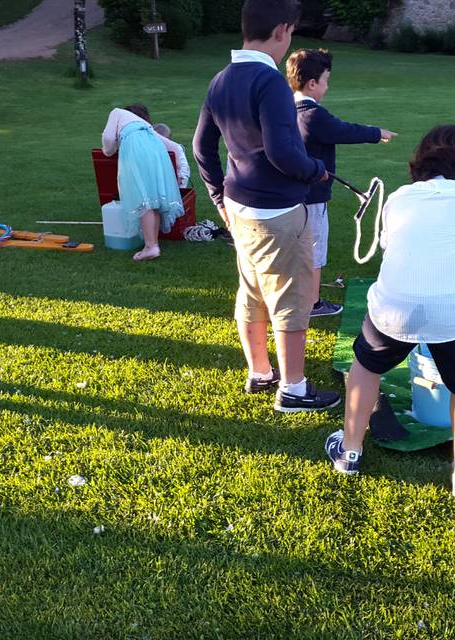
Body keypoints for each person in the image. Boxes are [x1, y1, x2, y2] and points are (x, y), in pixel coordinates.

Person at [324, 125, 455, 501]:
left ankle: (349, 449)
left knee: (366, 364)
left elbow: (394, 249)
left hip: (393, 307)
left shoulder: (400, 198)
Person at [192, 0, 340, 413]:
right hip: (277, 211)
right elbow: (282, 153)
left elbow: (201, 146)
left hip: (240, 207)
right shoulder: (269, 80)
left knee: (253, 291)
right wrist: (315, 171)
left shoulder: (222, 78)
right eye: (291, 32)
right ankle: (293, 389)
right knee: (291, 299)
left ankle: (260, 372)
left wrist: (219, 198)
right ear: (282, 30)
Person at [286, 47, 397, 317]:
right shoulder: (313, 114)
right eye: (326, 81)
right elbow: (343, 130)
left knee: (296, 247)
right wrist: (377, 132)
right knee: (315, 248)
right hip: (312, 197)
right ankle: (312, 304)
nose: (327, 86)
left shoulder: (286, 110)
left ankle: (295, 294)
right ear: (312, 84)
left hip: (291, 196)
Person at [101, 103, 184, 261]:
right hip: (157, 151)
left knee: (142, 197)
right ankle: (152, 244)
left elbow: (108, 137)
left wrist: (107, 150)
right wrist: (180, 170)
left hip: (135, 149)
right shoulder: (145, 126)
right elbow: (174, 146)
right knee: (154, 197)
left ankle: (150, 246)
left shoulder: (116, 112)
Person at [153, 122, 191, 189]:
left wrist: (181, 177)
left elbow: (184, 166)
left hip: (176, 181)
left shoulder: (177, 149)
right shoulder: (151, 150)